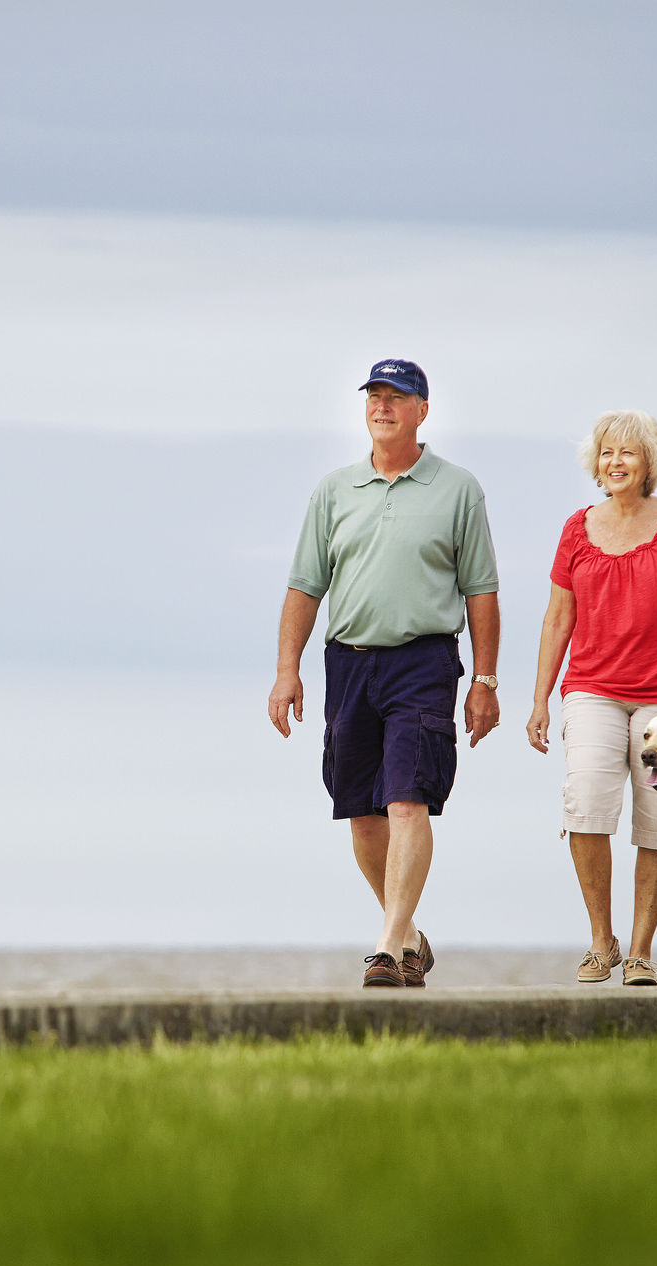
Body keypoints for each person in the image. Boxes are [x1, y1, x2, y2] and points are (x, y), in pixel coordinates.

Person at [268, 359, 502, 987]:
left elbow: (481, 591)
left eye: (397, 397)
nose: (383, 406)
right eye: (375, 396)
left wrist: (485, 681)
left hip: (423, 661)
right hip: (347, 663)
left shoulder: (458, 489)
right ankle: (410, 936)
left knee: (408, 799)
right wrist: (286, 669)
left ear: (422, 410)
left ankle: (387, 947)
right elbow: (304, 586)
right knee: (363, 812)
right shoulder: (334, 490)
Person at [525, 410, 657, 986]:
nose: (615, 462)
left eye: (628, 453)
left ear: (649, 464)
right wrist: (540, 700)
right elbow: (558, 618)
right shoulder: (576, 528)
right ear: (596, 463)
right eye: (607, 452)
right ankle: (600, 940)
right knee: (586, 798)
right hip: (593, 688)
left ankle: (640, 951)